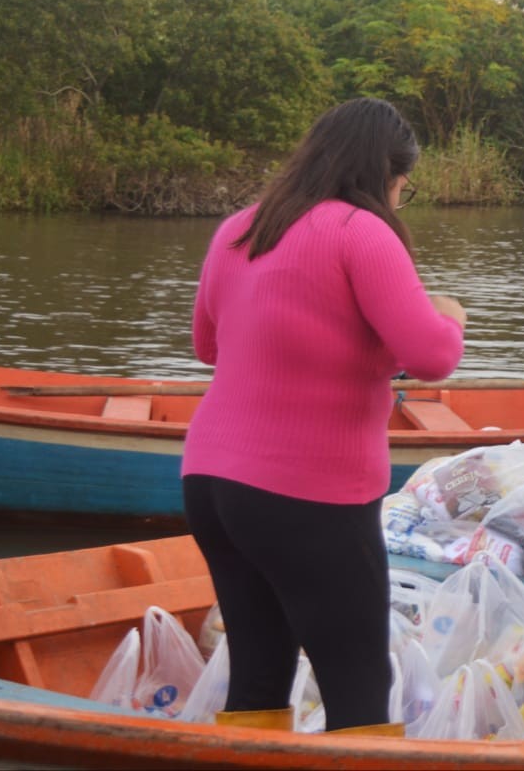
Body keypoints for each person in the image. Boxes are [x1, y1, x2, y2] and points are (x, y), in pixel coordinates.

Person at [181, 98, 467, 736]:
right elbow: (431, 356)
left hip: (210, 484)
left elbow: (208, 346)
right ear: (384, 174)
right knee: (359, 682)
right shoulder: (359, 232)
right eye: (402, 186)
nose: (399, 200)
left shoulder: (238, 228)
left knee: (257, 669)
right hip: (306, 491)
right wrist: (450, 314)